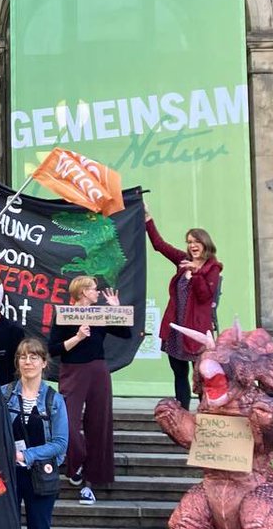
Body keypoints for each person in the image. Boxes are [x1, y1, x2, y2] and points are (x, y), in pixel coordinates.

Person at [0, 337, 67, 529]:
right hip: (10, 476)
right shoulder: (4, 395)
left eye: (33, 357)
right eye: (22, 356)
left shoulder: (53, 399)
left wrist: (26, 455)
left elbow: (61, 442)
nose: (27, 361)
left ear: (43, 363)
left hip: (41, 475)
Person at [48, 276, 131, 506]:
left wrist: (116, 310)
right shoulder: (65, 314)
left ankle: (89, 484)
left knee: (98, 423)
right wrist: (77, 337)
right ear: (83, 292)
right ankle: (78, 462)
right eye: (94, 290)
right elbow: (53, 348)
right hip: (73, 371)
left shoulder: (99, 314)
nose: (98, 293)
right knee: (67, 422)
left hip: (98, 370)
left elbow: (125, 334)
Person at [145, 209, 222, 410]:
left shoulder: (212, 268)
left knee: (202, 377)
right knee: (179, 374)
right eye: (189, 242)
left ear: (205, 243)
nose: (192, 245)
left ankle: (207, 416)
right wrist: (148, 218)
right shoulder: (183, 261)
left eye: (196, 241)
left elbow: (205, 296)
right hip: (176, 330)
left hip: (197, 333)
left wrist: (196, 275)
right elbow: (160, 246)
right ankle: (182, 416)